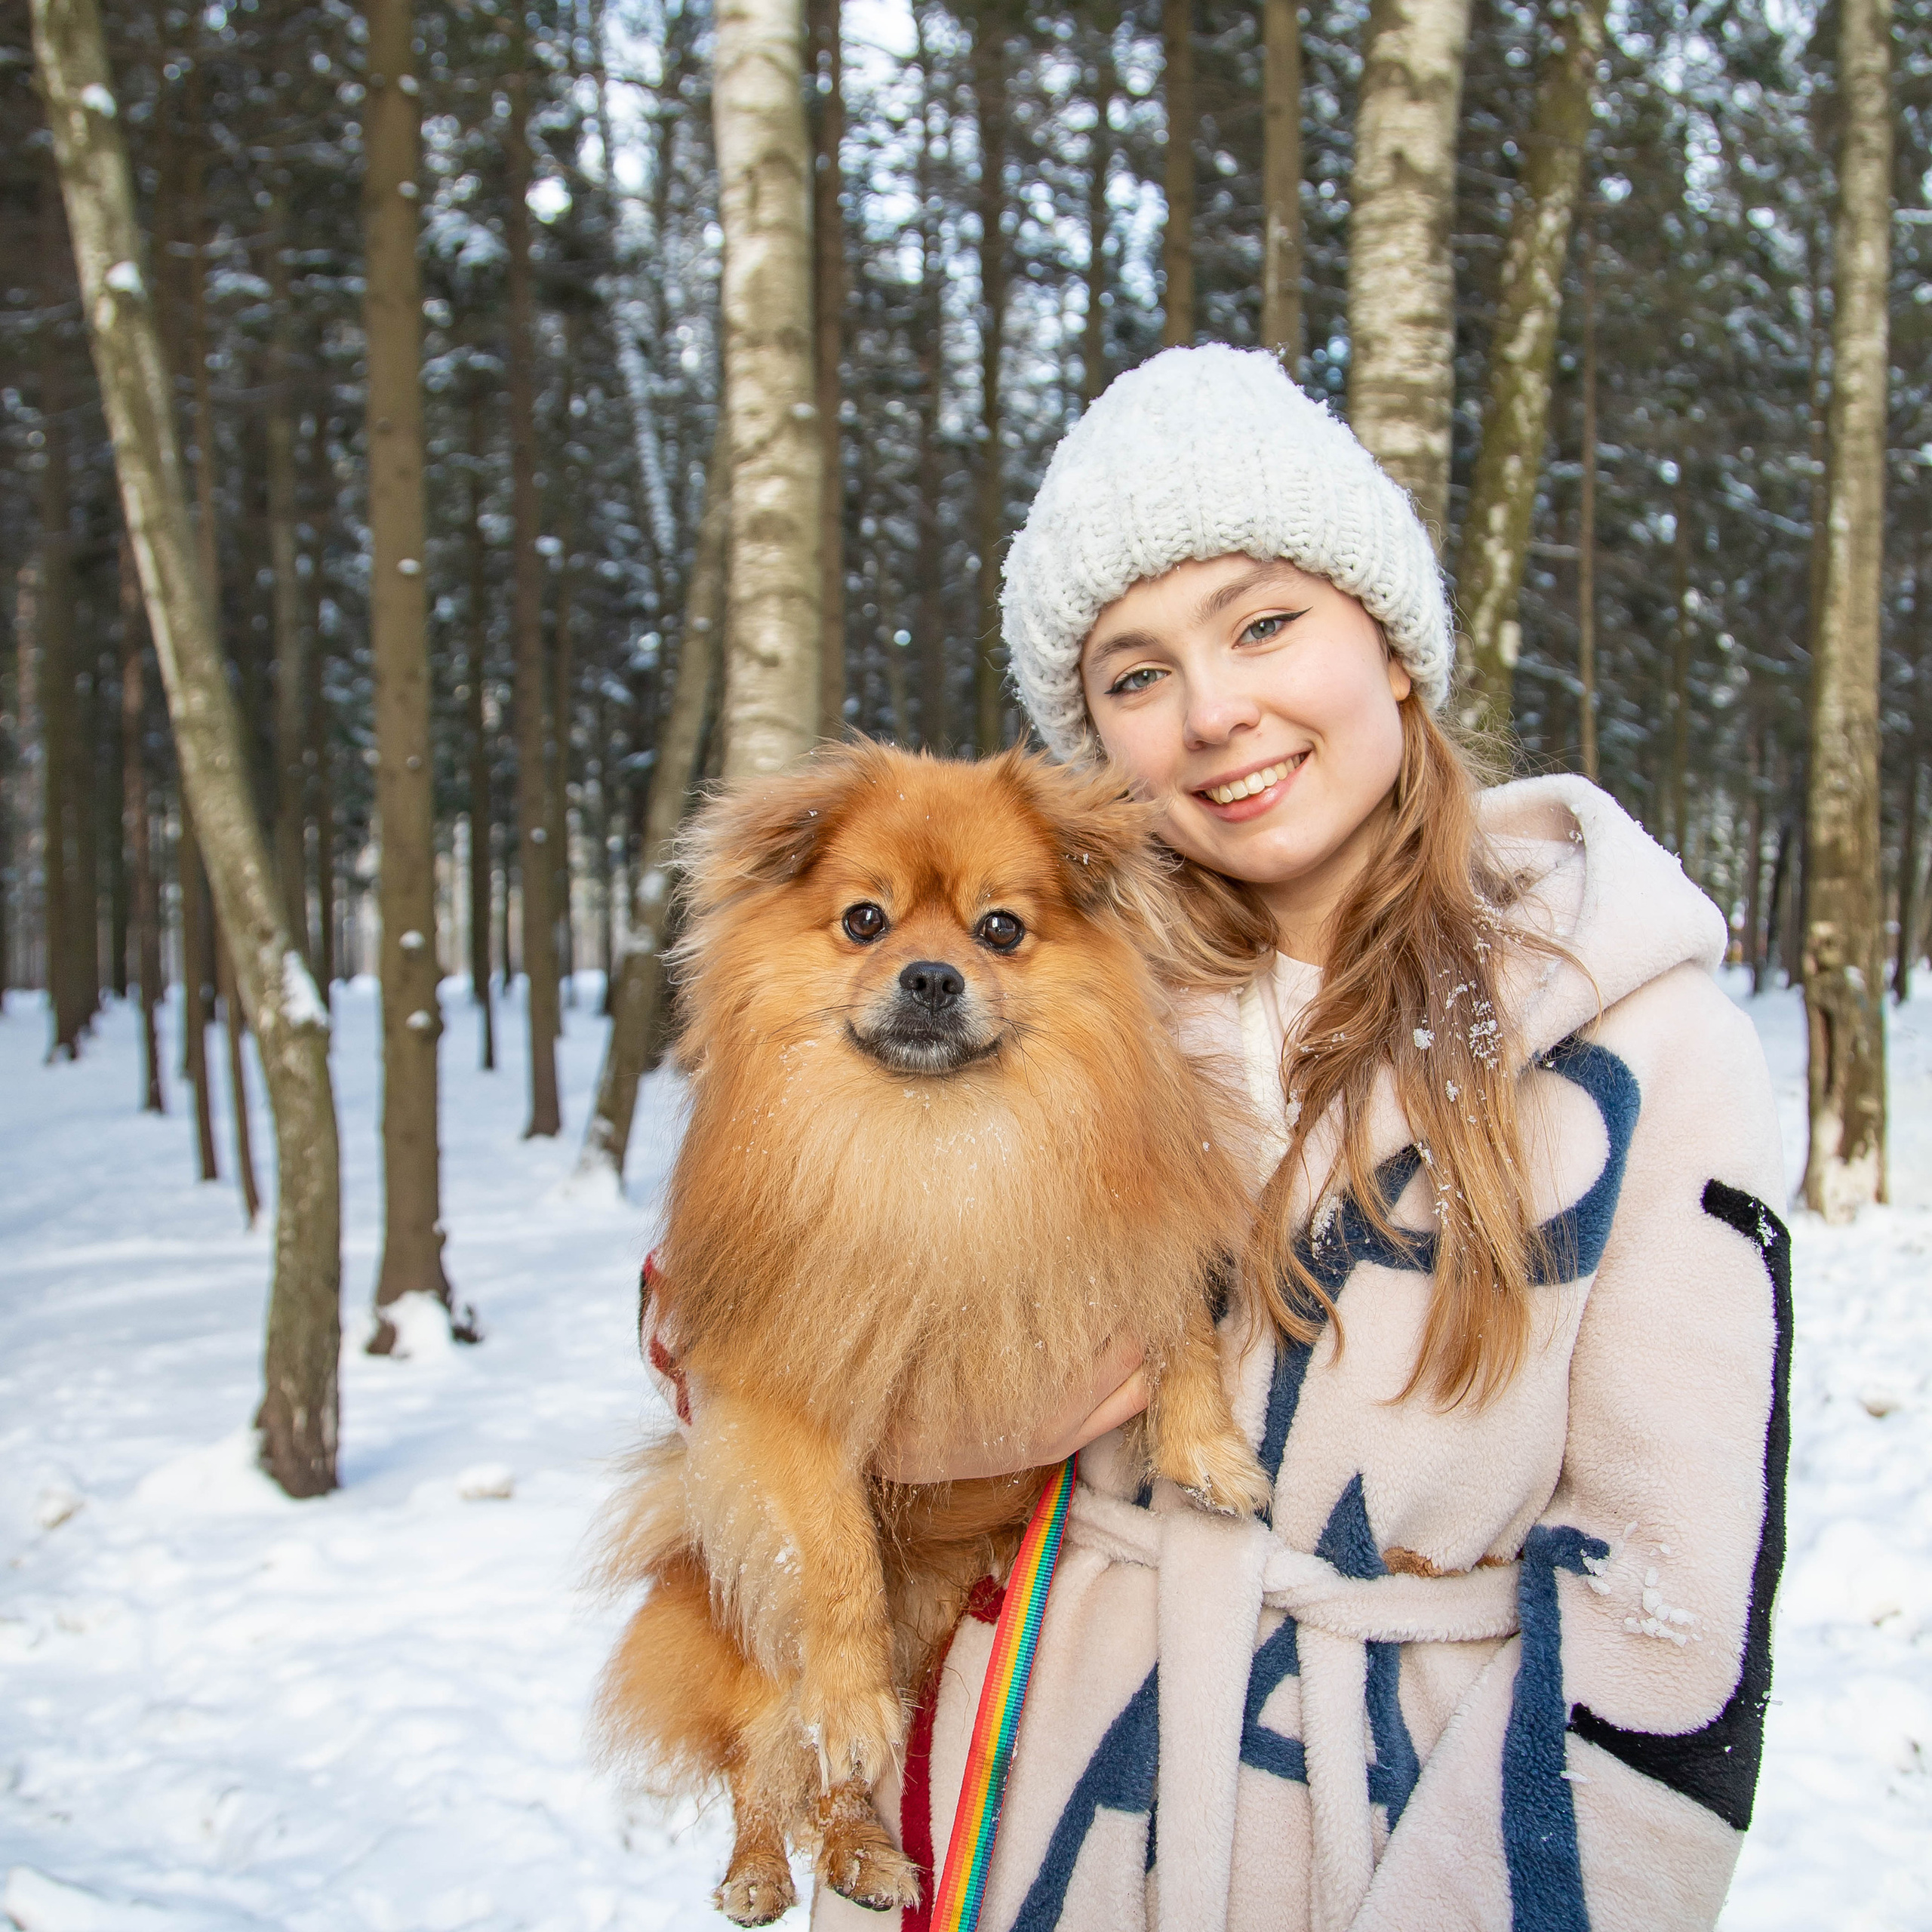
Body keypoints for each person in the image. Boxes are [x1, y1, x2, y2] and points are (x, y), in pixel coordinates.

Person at [824, 345, 1790, 1931]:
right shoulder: (1042, 994)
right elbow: (738, 1289)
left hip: (1392, 1829)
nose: (1212, 712)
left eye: (1263, 622)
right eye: (1133, 675)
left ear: (1390, 644)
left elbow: (1665, 1608)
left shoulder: (1641, 1035)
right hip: (1014, 1804)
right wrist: (911, 1421)